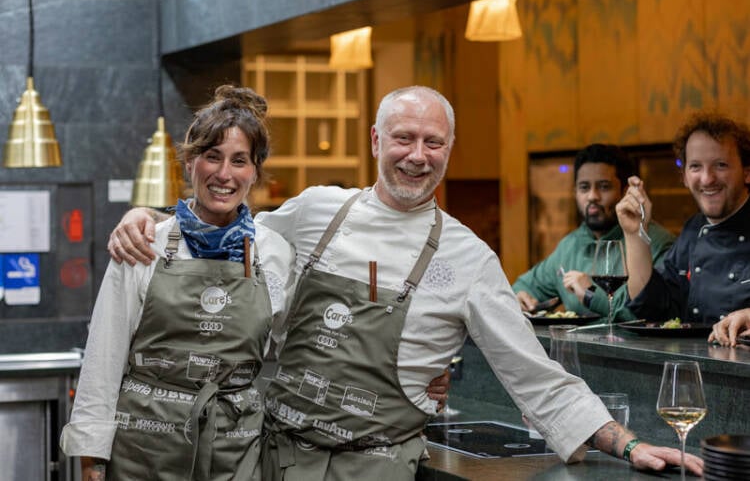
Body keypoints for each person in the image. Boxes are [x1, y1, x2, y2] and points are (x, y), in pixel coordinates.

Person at [108, 86, 703, 479]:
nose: (417, 155)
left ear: (448, 150)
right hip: (278, 462)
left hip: (379, 468)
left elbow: (533, 375)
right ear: (376, 141)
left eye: (433, 142)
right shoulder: (317, 210)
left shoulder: (469, 259)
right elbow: (223, 230)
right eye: (403, 138)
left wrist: (626, 443)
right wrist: (150, 219)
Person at [60, 85, 297, 480]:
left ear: (255, 171)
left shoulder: (275, 253)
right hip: (142, 450)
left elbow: (299, 352)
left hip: (235, 452)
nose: (224, 174)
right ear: (190, 163)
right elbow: (104, 354)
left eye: (239, 160)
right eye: (212, 156)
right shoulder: (144, 242)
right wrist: (90, 457)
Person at [616, 111, 750, 338]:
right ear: (685, 177)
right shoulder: (693, 229)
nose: (707, 178)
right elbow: (654, 308)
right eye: (696, 166)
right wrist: (635, 233)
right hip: (692, 357)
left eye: (721, 165)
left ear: (747, 173)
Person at [513, 144, 674, 321]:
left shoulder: (655, 242)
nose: (592, 196)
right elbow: (523, 286)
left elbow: (647, 313)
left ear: (625, 192)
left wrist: (590, 294)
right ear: (575, 192)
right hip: (576, 340)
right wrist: (520, 297)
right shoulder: (570, 246)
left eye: (604, 187)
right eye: (584, 187)